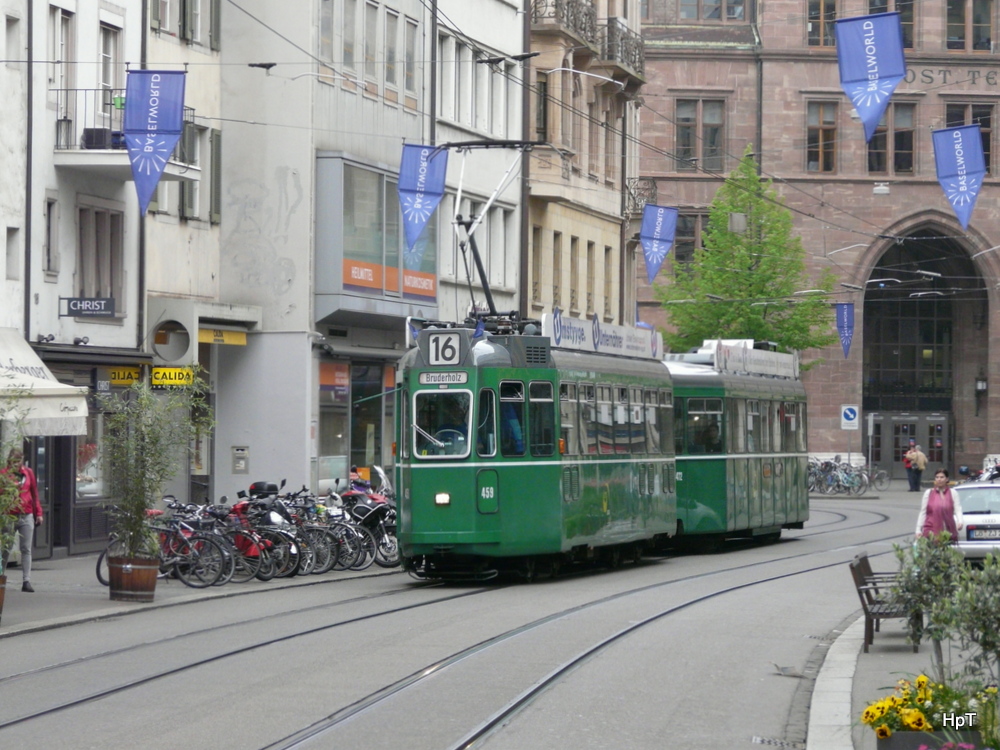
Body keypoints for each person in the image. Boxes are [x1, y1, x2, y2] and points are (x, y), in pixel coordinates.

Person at [1, 449, 43, 592]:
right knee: (5, 548)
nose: (17, 464)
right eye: (15, 461)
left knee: (26, 549)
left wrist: (39, 513)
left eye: (19, 461)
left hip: (26, 514)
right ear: (9, 460)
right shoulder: (4, 474)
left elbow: (34, 493)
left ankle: (26, 581)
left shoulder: (28, 473)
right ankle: (1, 577)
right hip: (9, 515)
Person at [915, 468, 963, 540]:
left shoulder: (953, 493)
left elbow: (958, 509)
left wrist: (960, 521)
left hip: (948, 529)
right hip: (930, 529)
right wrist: (918, 529)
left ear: (947, 479)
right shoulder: (929, 493)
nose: (939, 479)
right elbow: (923, 512)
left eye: (942, 477)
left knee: (946, 545)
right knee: (933, 544)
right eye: (937, 477)